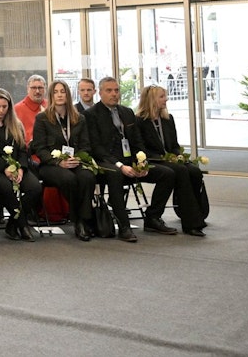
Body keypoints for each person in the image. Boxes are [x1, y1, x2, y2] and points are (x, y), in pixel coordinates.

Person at [86, 77, 178, 242]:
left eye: (116, 90)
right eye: (109, 90)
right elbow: (97, 148)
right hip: (107, 163)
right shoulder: (91, 114)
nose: (114, 94)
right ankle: (124, 226)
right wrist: (120, 165)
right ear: (100, 93)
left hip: (130, 161)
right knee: (115, 174)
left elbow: (137, 141)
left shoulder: (127, 112)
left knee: (167, 173)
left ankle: (153, 217)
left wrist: (141, 162)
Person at [135, 84, 207, 236]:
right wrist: (164, 158)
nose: (166, 99)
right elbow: (140, 148)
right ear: (151, 100)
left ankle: (193, 213)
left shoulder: (167, 119)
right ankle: (190, 223)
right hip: (152, 160)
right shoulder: (139, 121)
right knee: (179, 171)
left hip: (169, 159)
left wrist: (177, 155)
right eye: (162, 97)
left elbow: (174, 145)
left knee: (194, 171)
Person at [31, 80, 96, 241]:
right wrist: (58, 162)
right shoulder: (42, 118)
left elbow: (86, 145)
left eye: (63, 91)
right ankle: (80, 220)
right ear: (51, 95)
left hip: (74, 161)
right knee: (69, 179)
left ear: (68, 94)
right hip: (51, 165)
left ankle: (83, 218)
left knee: (87, 176)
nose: (59, 95)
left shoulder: (79, 118)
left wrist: (77, 158)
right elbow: (39, 148)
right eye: (56, 92)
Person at [0, 88, 41, 241]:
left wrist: (21, 168)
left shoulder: (16, 124)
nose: (1, 110)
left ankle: (13, 223)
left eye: (4, 107)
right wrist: (5, 168)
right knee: (6, 188)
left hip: (17, 166)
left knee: (35, 188)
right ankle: (23, 225)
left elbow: (22, 149)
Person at [14, 74, 47, 143]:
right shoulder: (17, 109)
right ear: (27, 89)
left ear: (45, 89)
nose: (37, 91)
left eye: (40, 88)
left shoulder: (51, 106)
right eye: (34, 88)